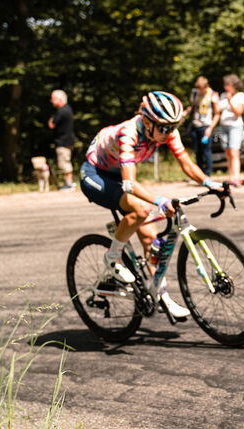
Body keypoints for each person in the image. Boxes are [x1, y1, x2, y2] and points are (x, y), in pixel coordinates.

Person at [79, 91, 220, 319]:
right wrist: (161, 200)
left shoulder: (165, 131)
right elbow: (130, 184)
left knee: (152, 240)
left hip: (119, 177)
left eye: (173, 127)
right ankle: (112, 257)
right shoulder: (128, 133)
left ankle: (161, 295)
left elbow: (185, 162)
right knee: (142, 209)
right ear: (147, 122)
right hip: (95, 175)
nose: (169, 132)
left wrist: (211, 183)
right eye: (165, 128)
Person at [216, 74, 244, 186]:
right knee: (228, 152)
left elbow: (238, 112)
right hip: (224, 126)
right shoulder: (223, 95)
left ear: (234, 85)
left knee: (234, 152)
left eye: (227, 85)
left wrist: (230, 101)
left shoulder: (240, 96)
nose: (225, 87)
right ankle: (231, 176)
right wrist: (215, 101)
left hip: (235, 126)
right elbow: (218, 110)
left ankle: (237, 177)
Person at [184, 77, 218, 176]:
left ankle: (207, 174)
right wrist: (185, 113)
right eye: (199, 89)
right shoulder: (195, 93)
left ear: (206, 87)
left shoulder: (212, 94)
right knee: (198, 152)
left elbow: (217, 113)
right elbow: (192, 106)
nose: (200, 91)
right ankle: (199, 174)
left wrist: (210, 128)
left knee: (206, 151)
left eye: (202, 89)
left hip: (206, 126)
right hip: (196, 124)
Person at [48, 89, 76, 191]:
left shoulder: (61, 111)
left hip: (63, 141)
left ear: (59, 99)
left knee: (64, 163)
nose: (51, 101)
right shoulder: (68, 109)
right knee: (65, 161)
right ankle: (69, 183)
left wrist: (51, 119)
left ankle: (69, 184)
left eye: (53, 99)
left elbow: (52, 124)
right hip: (68, 140)